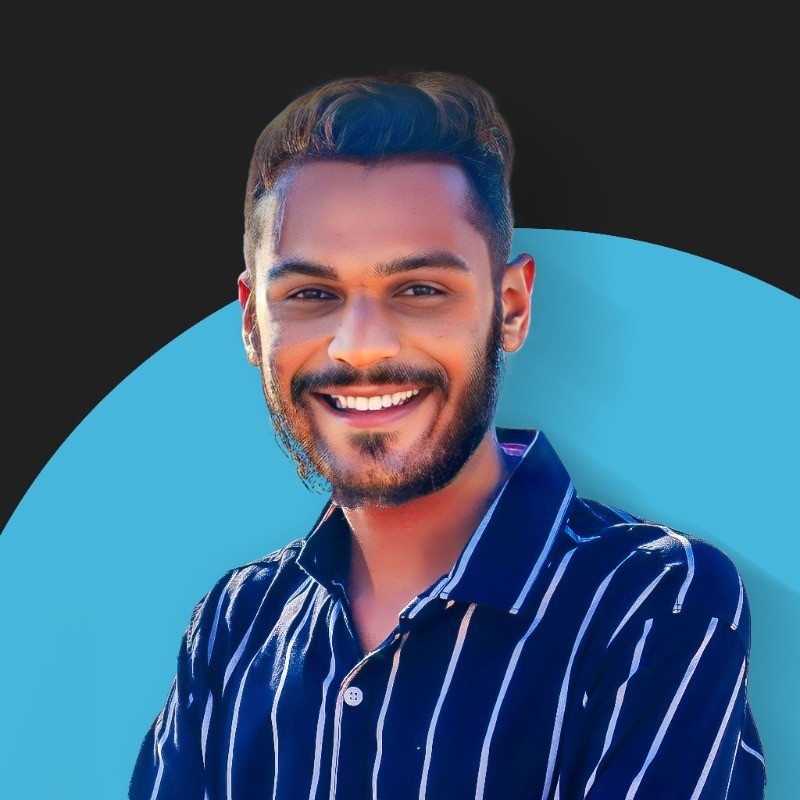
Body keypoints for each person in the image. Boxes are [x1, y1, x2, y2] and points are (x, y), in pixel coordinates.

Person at [130, 71, 766, 799]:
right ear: (251, 321)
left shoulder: (655, 602)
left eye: (420, 290)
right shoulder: (231, 626)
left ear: (513, 307)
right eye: (311, 294)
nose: (360, 348)